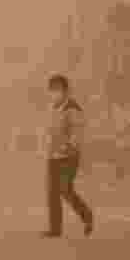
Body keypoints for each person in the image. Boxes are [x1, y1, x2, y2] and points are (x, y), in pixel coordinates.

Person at [41, 74, 94, 238]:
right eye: (52, 90)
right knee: (52, 193)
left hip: (69, 156)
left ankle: (87, 216)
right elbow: (50, 131)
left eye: (57, 90)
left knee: (65, 189)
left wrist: (69, 146)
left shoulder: (73, 108)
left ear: (65, 91)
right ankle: (55, 229)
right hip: (53, 156)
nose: (54, 93)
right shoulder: (52, 107)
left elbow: (77, 132)